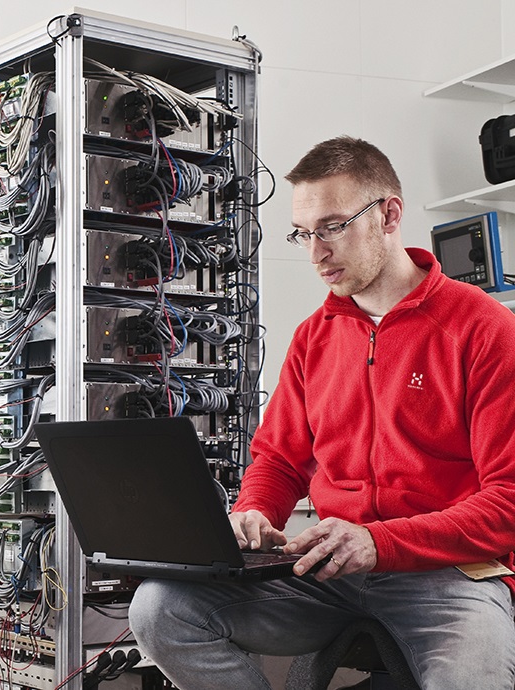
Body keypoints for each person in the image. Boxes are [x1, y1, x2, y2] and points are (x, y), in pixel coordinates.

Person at [129, 136, 515, 689]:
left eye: (332, 227)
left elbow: (508, 502)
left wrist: (380, 542)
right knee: (161, 609)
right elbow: (279, 460)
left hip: (447, 575)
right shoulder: (315, 336)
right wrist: (254, 511)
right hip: (326, 575)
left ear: (388, 215)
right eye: (304, 233)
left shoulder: (484, 329)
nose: (315, 252)